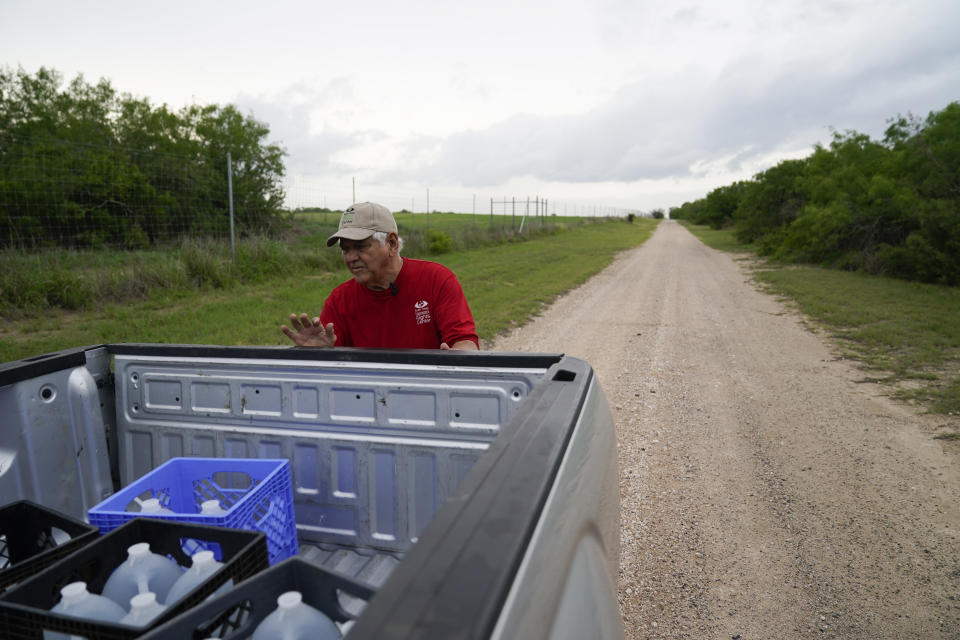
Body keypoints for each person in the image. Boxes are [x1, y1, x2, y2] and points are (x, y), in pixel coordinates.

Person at [281, 202, 479, 350]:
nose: (351, 258)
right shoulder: (339, 300)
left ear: (391, 243)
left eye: (360, 246)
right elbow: (335, 367)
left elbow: (465, 342)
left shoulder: (436, 280)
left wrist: (457, 358)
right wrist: (320, 353)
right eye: (345, 249)